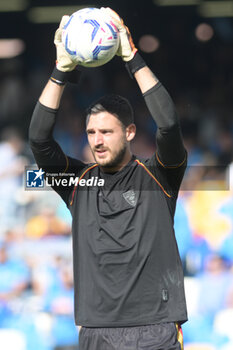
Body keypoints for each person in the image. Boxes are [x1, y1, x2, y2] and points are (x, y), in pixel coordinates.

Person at [29, 7, 188, 350]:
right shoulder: (77, 183)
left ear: (129, 132)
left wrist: (131, 56)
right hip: (96, 331)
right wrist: (61, 71)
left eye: (106, 131)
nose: (97, 140)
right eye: (90, 132)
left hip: (155, 329)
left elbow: (169, 126)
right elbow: (39, 140)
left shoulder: (158, 175)